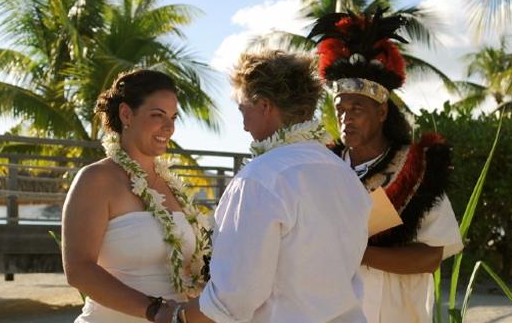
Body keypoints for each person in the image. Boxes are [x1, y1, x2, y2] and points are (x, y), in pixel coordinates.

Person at [154, 50, 373, 323]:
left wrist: (177, 316)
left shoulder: (259, 178)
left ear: (265, 106)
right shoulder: (345, 175)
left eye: (242, 108)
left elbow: (236, 296)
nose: (243, 125)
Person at [308, 8, 464, 323]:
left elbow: (432, 256)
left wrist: (357, 252)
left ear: (381, 112)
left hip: (395, 313)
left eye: (357, 108)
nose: (346, 117)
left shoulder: (415, 169)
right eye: (340, 108)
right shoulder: (320, 167)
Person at [61, 68, 211, 323]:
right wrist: (155, 310)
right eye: (157, 115)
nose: (169, 127)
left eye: (173, 117)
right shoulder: (96, 179)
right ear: (126, 113)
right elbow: (79, 270)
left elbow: (182, 269)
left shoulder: (172, 187)